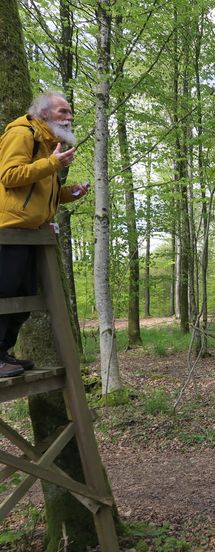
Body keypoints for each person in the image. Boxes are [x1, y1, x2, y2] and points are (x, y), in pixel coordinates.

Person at [0, 91, 89, 377]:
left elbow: (38, 194)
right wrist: (53, 164)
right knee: (4, 294)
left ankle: (3, 353)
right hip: (8, 230)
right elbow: (8, 176)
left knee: (24, 295)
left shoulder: (50, 145)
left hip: (29, 233)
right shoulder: (23, 133)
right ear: (44, 113)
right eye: (63, 111)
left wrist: (70, 193)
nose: (69, 117)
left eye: (70, 112)